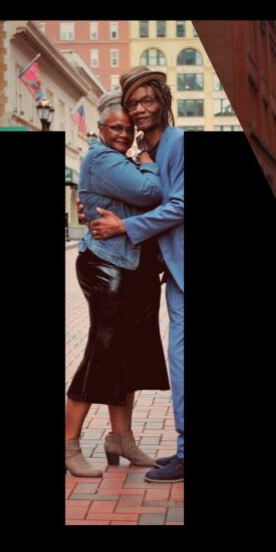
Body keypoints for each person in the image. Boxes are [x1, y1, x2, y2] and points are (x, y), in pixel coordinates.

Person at [66, 90, 170, 477]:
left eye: (128, 128)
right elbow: (150, 192)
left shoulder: (119, 159)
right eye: (117, 127)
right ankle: (69, 444)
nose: (124, 134)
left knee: (129, 357)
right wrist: (145, 158)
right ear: (101, 128)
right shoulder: (101, 157)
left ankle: (121, 440)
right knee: (103, 353)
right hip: (107, 264)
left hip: (133, 267)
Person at [89, 66, 185, 483]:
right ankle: (183, 449)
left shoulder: (177, 142)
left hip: (182, 263)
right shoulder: (147, 146)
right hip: (172, 270)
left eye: (148, 100)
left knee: (180, 359)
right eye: (133, 104)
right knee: (178, 358)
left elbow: (180, 204)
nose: (141, 109)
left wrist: (124, 227)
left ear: (163, 101)